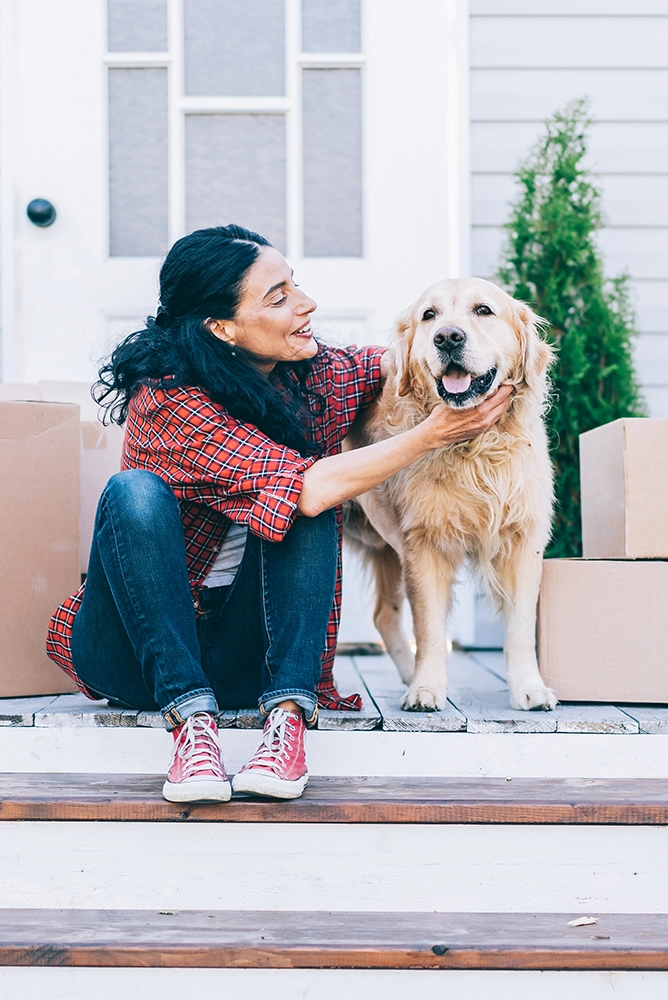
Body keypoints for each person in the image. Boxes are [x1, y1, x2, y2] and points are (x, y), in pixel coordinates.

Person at [46, 224, 513, 804]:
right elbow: (304, 487)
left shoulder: (310, 376)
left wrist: (478, 353)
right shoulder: (166, 400)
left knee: (309, 494)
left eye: (297, 285)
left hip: (247, 655)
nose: (306, 304)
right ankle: (192, 729)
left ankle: (287, 723)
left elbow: (396, 361)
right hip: (135, 655)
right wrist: (432, 433)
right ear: (223, 328)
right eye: (279, 297)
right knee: (135, 493)